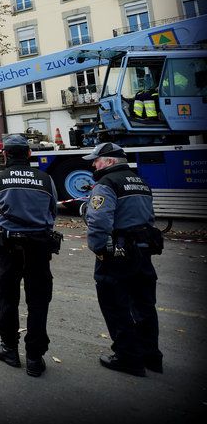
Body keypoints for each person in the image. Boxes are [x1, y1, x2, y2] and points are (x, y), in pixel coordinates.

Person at [83, 142, 162, 377]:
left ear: (108, 161)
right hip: (143, 251)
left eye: (96, 160)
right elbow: (148, 216)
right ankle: (151, 357)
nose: (93, 164)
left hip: (117, 254)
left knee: (116, 305)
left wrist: (99, 250)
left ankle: (128, 358)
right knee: (144, 305)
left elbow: (99, 222)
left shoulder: (106, 183)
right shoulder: (140, 182)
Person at [0, 134, 60, 377]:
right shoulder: (46, 179)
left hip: (9, 248)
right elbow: (53, 211)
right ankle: (35, 358)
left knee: (8, 299)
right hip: (40, 248)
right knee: (38, 301)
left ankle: (9, 349)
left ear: (5, 154)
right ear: (29, 154)